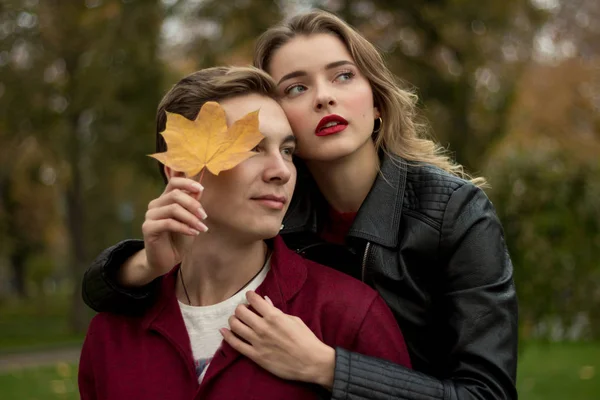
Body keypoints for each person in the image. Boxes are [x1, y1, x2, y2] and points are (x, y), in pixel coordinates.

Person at [82, 10, 518, 400]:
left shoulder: (455, 213)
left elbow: (490, 391)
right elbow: (107, 295)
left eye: (343, 75)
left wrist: (327, 366)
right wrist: (141, 265)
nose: (324, 97)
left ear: (378, 101)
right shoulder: (270, 205)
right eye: (296, 86)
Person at [78, 66, 411, 400]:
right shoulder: (110, 335)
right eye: (252, 147)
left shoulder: (346, 314)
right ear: (181, 171)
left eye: (287, 151)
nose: (282, 171)